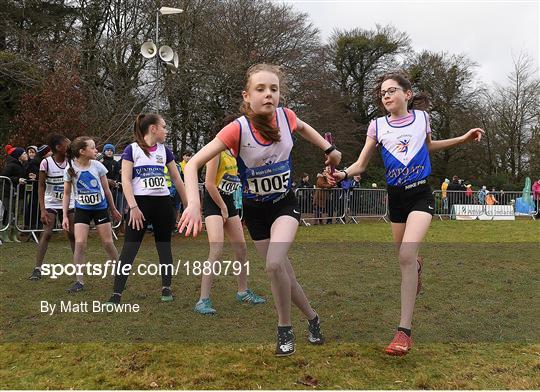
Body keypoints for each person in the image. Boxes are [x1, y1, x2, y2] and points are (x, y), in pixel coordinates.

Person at [178, 64, 342, 356]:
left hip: (284, 205)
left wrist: (329, 150)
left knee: (274, 264)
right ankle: (313, 319)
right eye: (261, 89)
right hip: (255, 212)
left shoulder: (286, 117)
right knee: (285, 275)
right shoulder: (237, 129)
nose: (269, 94)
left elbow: (303, 128)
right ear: (247, 95)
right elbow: (193, 164)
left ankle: (284, 329)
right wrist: (192, 203)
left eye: (274, 89)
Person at [332, 71, 483, 356]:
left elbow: (427, 147)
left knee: (405, 256)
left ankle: (404, 332)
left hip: (420, 195)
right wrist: (341, 174)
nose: (386, 96)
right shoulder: (377, 126)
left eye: (391, 91)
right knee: (404, 258)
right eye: (382, 93)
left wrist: (462, 139)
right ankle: (416, 266)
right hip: (396, 199)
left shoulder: (423, 119)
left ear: (407, 94)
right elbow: (362, 164)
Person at [106, 113, 187, 304]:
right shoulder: (131, 150)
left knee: (164, 247)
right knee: (129, 249)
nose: (166, 131)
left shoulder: (164, 150)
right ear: (153, 128)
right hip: (139, 206)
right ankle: (116, 293)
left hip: (163, 204)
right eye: (164, 127)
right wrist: (133, 206)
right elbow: (125, 180)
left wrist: (189, 205)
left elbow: (176, 178)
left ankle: (166, 288)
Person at [194, 115, 266, 315]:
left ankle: (243, 292)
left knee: (241, 249)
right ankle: (203, 300)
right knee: (216, 250)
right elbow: (209, 184)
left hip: (228, 204)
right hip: (213, 203)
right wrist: (223, 208)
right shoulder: (215, 151)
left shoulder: (234, 152)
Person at [62, 137, 121, 293]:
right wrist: (64, 216)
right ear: (82, 151)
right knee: (80, 243)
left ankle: (120, 275)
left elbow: (107, 190)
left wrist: (113, 209)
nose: (97, 150)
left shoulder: (98, 166)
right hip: (82, 209)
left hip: (100, 208)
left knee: (108, 243)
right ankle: (79, 282)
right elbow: (67, 194)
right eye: (93, 148)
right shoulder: (70, 169)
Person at [29, 135, 76, 280]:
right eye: (67, 144)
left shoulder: (72, 162)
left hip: (69, 202)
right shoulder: (46, 163)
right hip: (51, 202)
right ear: (58, 147)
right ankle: (37, 268)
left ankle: (78, 268)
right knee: (47, 233)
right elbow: (41, 186)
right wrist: (42, 210)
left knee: (71, 234)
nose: (70, 146)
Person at [1, 145, 28, 243]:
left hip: (19, 193)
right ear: (18, 156)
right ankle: (4, 234)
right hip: (9, 193)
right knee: (8, 212)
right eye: (24, 153)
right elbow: (4, 176)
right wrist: (17, 180)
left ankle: (14, 234)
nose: (26, 154)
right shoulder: (11, 165)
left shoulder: (24, 165)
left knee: (16, 214)